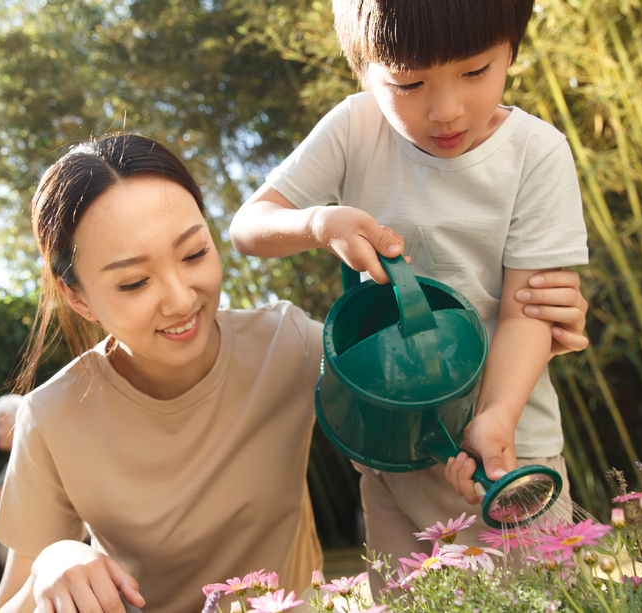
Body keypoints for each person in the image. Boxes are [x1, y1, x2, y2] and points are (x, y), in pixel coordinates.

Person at [0, 133, 588, 613]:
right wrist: (52, 562)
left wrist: (531, 332)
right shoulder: (52, 418)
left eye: (195, 253)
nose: (179, 298)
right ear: (78, 297)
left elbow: (419, 396)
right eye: (133, 282)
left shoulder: (285, 345)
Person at [228, 0, 588, 589]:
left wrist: (494, 419)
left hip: (507, 449)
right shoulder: (354, 127)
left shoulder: (536, 153)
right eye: (407, 82)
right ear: (365, 71)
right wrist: (319, 223)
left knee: (541, 598)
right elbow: (250, 226)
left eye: (475, 72)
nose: (445, 109)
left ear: (512, 51)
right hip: (387, 441)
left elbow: (533, 310)